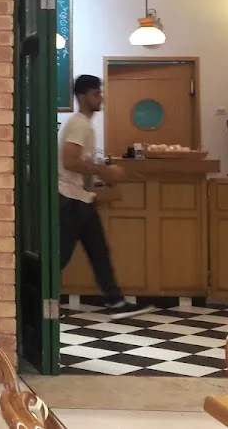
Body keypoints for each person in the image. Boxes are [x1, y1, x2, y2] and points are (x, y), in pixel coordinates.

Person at [59, 74, 150, 319]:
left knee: (99, 251)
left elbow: (78, 163)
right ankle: (29, 301)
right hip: (70, 199)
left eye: (100, 93)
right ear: (82, 96)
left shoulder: (83, 124)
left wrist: (100, 174)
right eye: (95, 94)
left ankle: (116, 301)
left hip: (81, 198)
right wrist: (104, 171)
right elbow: (69, 161)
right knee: (59, 257)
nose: (101, 98)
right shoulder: (79, 123)